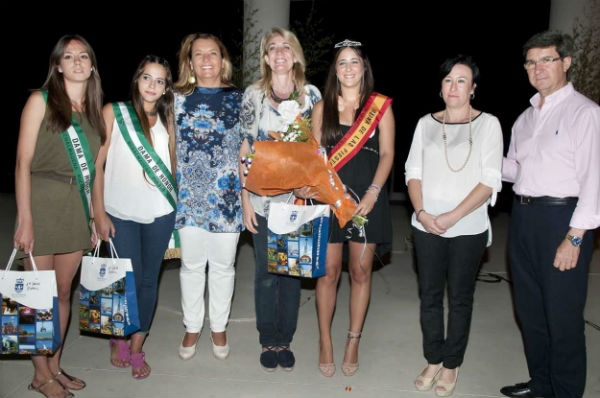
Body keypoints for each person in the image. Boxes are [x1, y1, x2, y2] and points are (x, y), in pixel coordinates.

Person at [500, 31, 599, 398]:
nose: (537, 68)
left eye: (547, 60)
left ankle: (567, 391)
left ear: (566, 63)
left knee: (563, 319)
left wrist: (574, 237)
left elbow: (594, 181)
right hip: (524, 219)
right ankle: (541, 384)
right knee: (531, 313)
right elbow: (515, 169)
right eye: (531, 62)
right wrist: (477, 159)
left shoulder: (585, 113)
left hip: (563, 220)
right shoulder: (525, 118)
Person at [405, 55, 503, 396]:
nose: (454, 87)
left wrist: (452, 216)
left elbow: (490, 180)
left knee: (460, 298)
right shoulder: (425, 124)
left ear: (473, 88)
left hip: (468, 228)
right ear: (440, 87)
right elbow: (412, 171)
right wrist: (421, 212)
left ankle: (451, 363)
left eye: (462, 80)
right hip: (426, 226)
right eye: (448, 80)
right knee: (429, 296)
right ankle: (433, 357)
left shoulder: (489, 124)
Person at [14, 34, 105, 398]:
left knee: (64, 292)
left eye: (84, 56)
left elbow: (95, 171)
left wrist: (92, 217)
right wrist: (25, 218)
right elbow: (22, 162)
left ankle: (54, 365)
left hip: (76, 204)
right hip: (42, 199)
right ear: (57, 65)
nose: (78, 61)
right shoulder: (41, 100)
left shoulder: (96, 110)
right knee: (38, 295)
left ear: (92, 65)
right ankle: (40, 376)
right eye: (69, 56)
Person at [239, 27, 321, 372]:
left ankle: (285, 339)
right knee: (266, 275)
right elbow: (243, 147)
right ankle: (266, 338)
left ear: (295, 54)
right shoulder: (253, 95)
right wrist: (244, 198)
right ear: (267, 58)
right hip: (261, 200)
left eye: (286, 47)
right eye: (272, 48)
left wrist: (311, 185)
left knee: (291, 274)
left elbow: (318, 149)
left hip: (298, 202)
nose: (279, 52)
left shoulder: (312, 95)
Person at [311, 40, 395, 377]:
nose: (348, 68)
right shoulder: (322, 107)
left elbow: (388, 153)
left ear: (364, 68)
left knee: (360, 272)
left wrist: (374, 192)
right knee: (328, 272)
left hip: (366, 200)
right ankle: (325, 341)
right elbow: (315, 158)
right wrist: (324, 190)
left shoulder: (380, 107)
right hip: (330, 200)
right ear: (335, 70)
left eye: (354, 62)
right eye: (342, 63)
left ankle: (352, 340)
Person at [93, 55, 176, 379]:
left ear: (166, 88)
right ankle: (118, 338)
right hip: (119, 212)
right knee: (124, 279)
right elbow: (97, 166)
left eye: (159, 81)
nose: (152, 85)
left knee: (147, 281)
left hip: (159, 213)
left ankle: (137, 344)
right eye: (147, 78)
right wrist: (97, 213)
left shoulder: (170, 119)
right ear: (137, 80)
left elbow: (174, 166)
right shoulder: (114, 112)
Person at [173, 33, 243, 361]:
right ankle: (191, 326)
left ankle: (218, 326)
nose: (205, 60)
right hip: (187, 197)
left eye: (212, 54)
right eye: (198, 54)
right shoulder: (172, 98)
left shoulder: (241, 99)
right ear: (189, 62)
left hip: (227, 198)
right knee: (190, 266)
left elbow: (251, 150)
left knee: (224, 266)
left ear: (222, 59)